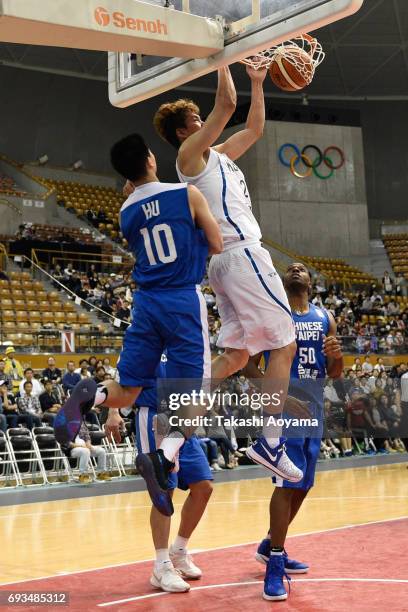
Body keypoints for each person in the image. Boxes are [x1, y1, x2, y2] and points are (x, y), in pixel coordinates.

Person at [54, 133, 222, 518]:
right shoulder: (187, 195)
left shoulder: (126, 212)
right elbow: (215, 243)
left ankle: (87, 399)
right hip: (181, 299)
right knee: (195, 396)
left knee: (127, 391)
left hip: (145, 303)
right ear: (150, 158)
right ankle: (162, 458)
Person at [153, 66, 301, 483]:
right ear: (184, 133)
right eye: (197, 122)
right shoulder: (189, 159)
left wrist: (256, 80)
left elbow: (253, 127)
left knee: (235, 357)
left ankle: (171, 437)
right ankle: (271, 443)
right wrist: (225, 56)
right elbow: (227, 104)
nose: (205, 124)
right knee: (285, 344)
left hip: (227, 265)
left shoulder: (216, 157)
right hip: (242, 256)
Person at [244, 262, 343, 601]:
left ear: (311, 282)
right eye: (291, 268)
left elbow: (335, 371)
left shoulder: (324, 317)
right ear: (284, 281)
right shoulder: (274, 314)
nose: (297, 269)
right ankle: (274, 563)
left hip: (314, 410)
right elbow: (246, 363)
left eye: (302, 268)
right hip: (284, 412)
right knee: (286, 484)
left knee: (303, 485)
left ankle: (270, 543)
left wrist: (337, 357)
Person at [135, 354, 213, 593]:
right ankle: (161, 566)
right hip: (154, 417)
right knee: (164, 489)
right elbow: (125, 380)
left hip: (183, 419)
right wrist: (114, 413)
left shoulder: (185, 338)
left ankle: (178, 551)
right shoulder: (144, 335)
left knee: (203, 486)